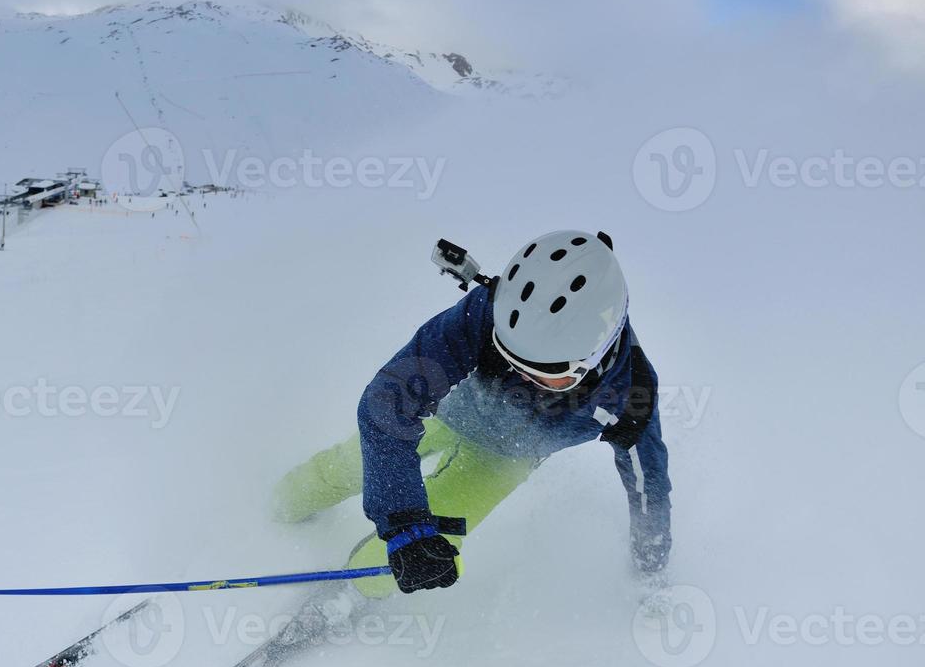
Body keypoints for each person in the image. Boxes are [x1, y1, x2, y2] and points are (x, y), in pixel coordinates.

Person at [273, 230, 673, 598]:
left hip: (504, 460)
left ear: (595, 358)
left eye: (545, 372)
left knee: (434, 539)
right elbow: (387, 403)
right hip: (441, 415)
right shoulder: (490, 309)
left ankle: (348, 598)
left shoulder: (631, 397)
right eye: (511, 356)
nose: (521, 377)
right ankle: (275, 509)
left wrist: (650, 568)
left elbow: (647, 488)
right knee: (347, 468)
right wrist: (404, 519)